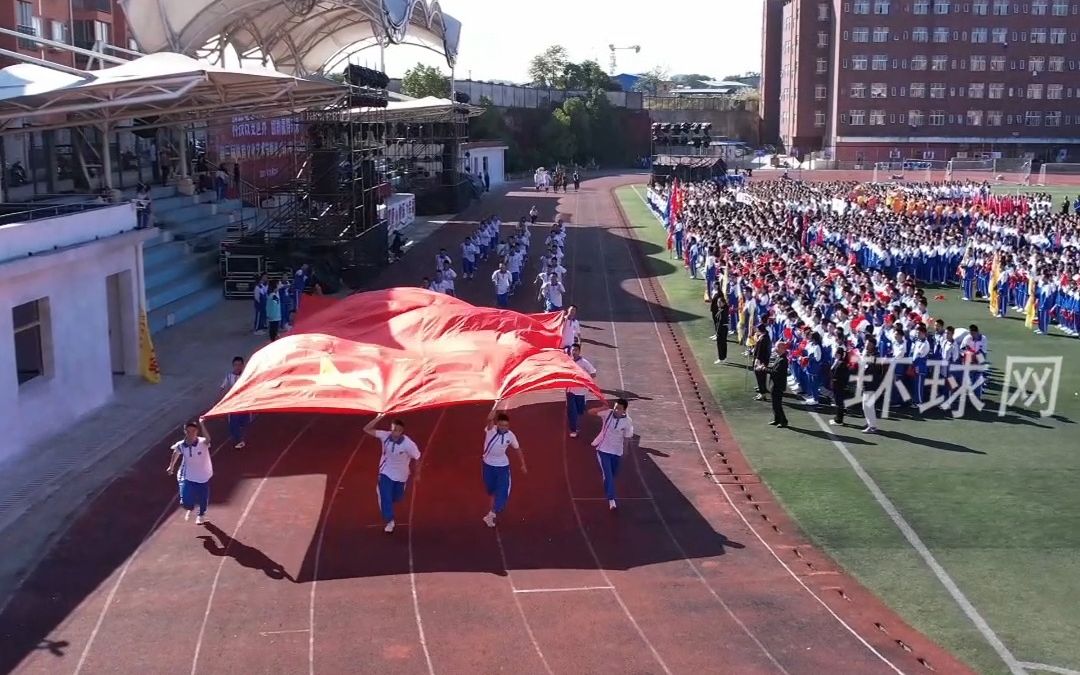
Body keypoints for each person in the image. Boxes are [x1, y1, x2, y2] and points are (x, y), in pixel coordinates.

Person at [363, 414, 422, 533]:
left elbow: (417, 457)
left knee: (397, 497)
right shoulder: (384, 436)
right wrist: (379, 417)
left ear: (401, 431)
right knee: (386, 496)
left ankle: (391, 499)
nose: (393, 431)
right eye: (392, 428)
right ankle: (390, 521)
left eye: (396, 430)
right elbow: (366, 429)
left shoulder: (408, 444)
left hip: (401, 475)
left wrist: (417, 474)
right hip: (386, 472)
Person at [481, 407, 526, 528]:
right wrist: (494, 409)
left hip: (502, 467)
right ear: (497, 424)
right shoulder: (491, 430)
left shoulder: (510, 436)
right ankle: (494, 506)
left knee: (502, 490)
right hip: (488, 465)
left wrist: (523, 464)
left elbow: (517, 449)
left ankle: (492, 513)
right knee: (490, 488)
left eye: (506, 426)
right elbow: (489, 419)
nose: (504, 428)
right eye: (501, 425)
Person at [167, 418, 213, 525]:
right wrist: (171, 466)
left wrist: (202, 424)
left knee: (203, 498)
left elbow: (208, 439)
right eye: (188, 431)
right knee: (185, 502)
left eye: (193, 431)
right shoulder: (181, 445)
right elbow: (176, 453)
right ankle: (190, 507)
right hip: (189, 476)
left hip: (203, 476)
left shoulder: (202, 442)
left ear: (197, 431)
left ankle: (201, 515)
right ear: (185, 431)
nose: (191, 433)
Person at [591, 398, 634, 510]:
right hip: (603, 450)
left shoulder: (627, 421)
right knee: (608, 475)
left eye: (619, 409)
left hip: (616, 452)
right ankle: (612, 500)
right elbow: (590, 412)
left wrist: (625, 450)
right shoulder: (608, 413)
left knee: (612, 474)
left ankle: (607, 484)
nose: (615, 410)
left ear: (624, 410)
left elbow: (627, 437)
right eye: (615, 407)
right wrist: (602, 408)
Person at [566, 343, 597, 438]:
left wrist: (588, 384)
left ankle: (576, 425)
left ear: (579, 351)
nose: (574, 352)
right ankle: (573, 429)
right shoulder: (568, 361)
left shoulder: (584, 362)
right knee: (572, 411)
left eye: (576, 350)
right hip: (570, 391)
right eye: (572, 350)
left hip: (581, 392)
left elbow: (593, 373)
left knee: (580, 411)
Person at [221, 356, 251, 448]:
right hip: (233, 403)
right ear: (233, 366)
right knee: (233, 422)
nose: (238, 367)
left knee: (245, 422)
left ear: (243, 365)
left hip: (245, 402)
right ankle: (239, 440)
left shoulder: (246, 376)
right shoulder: (229, 377)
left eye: (239, 365)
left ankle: (240, 435)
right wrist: (222, 401)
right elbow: (222, 388)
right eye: (235, 365)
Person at [761, 341, 789, 428]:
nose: (775, 349)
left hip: (778, 385)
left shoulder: (783, 360)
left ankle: (783, 421)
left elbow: (775, 372)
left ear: (781, 348)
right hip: (775, 384)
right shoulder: (779, 358)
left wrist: (764, 369)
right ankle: (777, 419)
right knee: (774, 404)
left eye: (777, 347)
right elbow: (773, 369)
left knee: (777, 404)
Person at [829, 348, 851, 427]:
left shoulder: (842, 363)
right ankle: (837, 417)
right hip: (836, 384)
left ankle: (839, 420)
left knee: (839, 402)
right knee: (837, 401)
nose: (835, 354)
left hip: (839, 385)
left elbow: (841, 376)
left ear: (840, 354)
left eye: (836, 353)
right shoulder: (837, 361)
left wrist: (835, 379)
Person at [752, 323, 772, 401]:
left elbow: (761, 351)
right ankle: (762, 391)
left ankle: (762, 393)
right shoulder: (765, 336)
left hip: (761, 360)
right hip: (763, 359)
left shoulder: (763, 338)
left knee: (760, 376)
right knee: (761, 376)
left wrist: (757, 360)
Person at [710, 289, 729, 364]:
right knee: (722, 343)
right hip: (722, 329)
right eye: (718, 302)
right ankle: (723, 357)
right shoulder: (722, 309)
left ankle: (721, 357)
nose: (718, 304)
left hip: (722, 329)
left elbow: (721, 322)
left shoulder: (723, 311)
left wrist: (718, 331)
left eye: (720, 302)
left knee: (721, 344)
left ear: (723, 303)